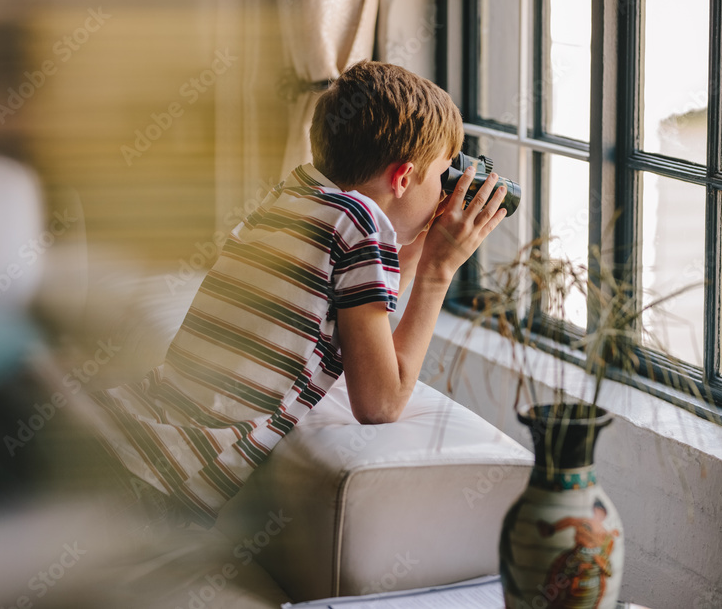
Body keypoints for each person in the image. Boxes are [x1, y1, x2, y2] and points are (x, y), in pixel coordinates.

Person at [88, 60, 507, 528]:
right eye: (443, 176)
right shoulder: (360, 226)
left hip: (118, 433)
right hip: (156, 478)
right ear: (403, 178)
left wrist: (418, 245)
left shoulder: (299, 194)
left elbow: (361, 298)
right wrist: (438, 270)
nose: (445, 192)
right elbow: (380, 405)